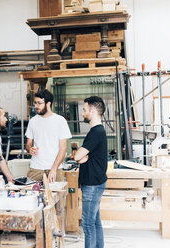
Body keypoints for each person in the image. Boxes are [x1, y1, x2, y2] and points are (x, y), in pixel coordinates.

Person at [74, 96, 107, 248]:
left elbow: (78, 156)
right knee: (95, 222)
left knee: (87, 224)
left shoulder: (96, 132)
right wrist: (81, 157)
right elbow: (81, 157)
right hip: (95, 182)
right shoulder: (98, 131)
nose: (83, 113)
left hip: (92, 184)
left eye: (84, 110)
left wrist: (80, 157)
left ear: (92, 111)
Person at [25, 89, 72, 182]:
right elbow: (28, 144)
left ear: (48, 104)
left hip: (55, 169)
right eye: (35, 103)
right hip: (36, 168)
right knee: (30, 194)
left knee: (58, 195)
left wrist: (54, 169)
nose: (36, 106)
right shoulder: (33, 121)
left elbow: (63, 149)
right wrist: (30, 148)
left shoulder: (60, 121)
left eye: (39, 103)